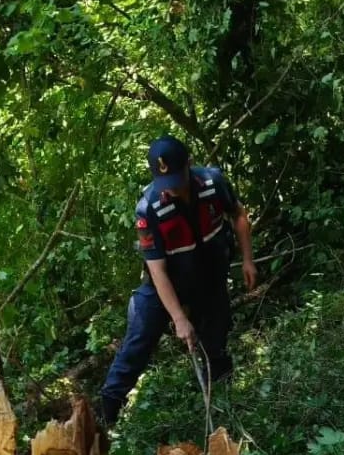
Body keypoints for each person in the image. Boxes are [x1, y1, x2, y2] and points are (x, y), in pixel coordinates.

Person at [99, 135, 256, 426]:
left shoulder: (213, 183)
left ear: (189, 164)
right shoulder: (148, 210)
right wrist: (179, 318)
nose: (170, 189)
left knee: (216, 342)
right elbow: (157, 271)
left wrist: (248, 259)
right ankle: (105, 419)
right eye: (164, 182)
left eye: (175, 179)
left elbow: (238, 214)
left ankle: (223, 409)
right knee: (138, 341)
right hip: (164, 287)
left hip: (209, 279)